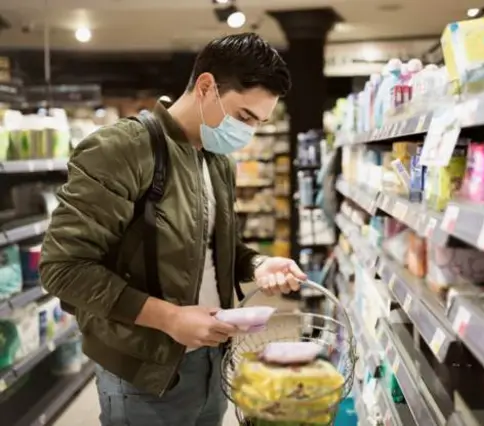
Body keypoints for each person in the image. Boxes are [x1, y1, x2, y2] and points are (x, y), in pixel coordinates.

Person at [39, 33, 304, 426]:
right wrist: (169, 318)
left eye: (259, 123)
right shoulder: (122, 149)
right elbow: (63, 268)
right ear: (206, 87)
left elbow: (213, 245)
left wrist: (258, 264)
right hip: (144, 373)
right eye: (245, 117)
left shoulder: (217, 161)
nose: (248, 133)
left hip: (213, 358)